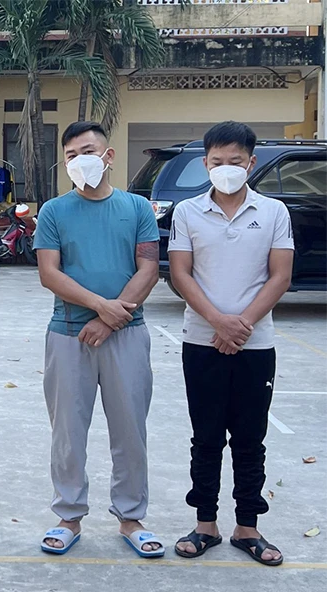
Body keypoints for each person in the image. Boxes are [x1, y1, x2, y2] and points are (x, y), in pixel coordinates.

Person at [34, 121, 163, 557]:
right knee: (68, 432)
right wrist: (98, 306)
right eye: (71, 155)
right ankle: (68, 516)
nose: (80, 160)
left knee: (130, 429)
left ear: (108, 156)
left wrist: (109, 320)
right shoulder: (54, 211)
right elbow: (49, 272)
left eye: (87, 151)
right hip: (68, 335)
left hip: (127, 333)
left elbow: (148, 269)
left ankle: (131, 517)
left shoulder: (137, 208)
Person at [170, 121, 292, 566]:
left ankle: (247, 527)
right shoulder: (187, 212)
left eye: (235, 161)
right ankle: (205, 523)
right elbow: (180, 273)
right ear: (205, 163)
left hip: (255, 345)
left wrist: (242, 325)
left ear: (251, 163)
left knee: (250, 438)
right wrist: (218, 322)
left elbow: (280, 275)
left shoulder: (274, 211)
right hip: (201, 340)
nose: (226, 168)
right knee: (205, 437)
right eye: (217, 161)